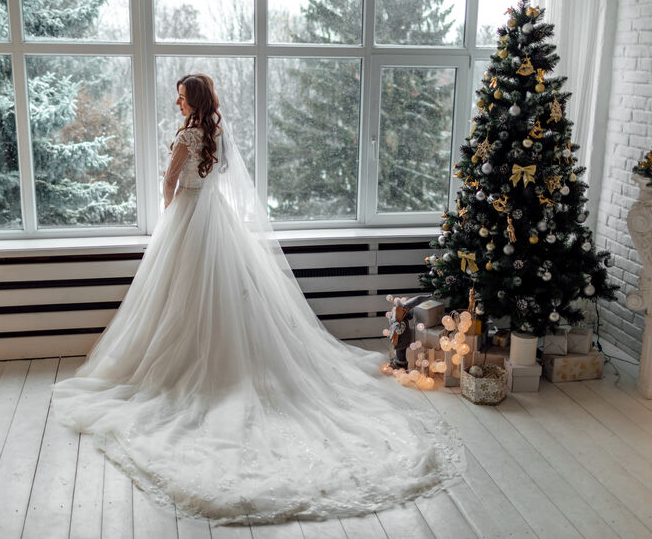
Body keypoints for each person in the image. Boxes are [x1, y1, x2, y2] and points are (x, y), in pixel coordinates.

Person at [52, 73, 463, 526]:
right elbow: (220, 177)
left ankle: (194, 365)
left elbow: (170, 182)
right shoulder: (217, 133)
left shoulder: (188, 133)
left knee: (181, 294)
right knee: (224, 293)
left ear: (195, 100)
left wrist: (167, 218)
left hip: (190, 214)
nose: (177, 101)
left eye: (182, 96)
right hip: (216, 216)